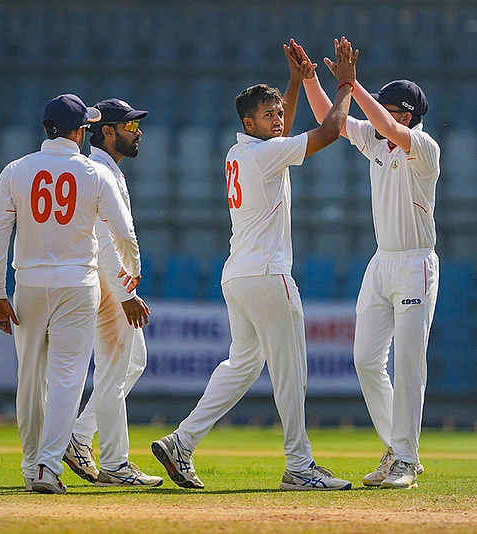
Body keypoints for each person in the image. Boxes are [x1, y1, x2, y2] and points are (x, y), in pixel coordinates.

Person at [151, 38, 357, 491]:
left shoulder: (240, 151)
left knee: (242, 367)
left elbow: (282, 131)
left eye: (278, 113)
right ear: (249, 123)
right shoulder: (265, 154)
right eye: (270, 115)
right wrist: (344, 85)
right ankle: (299, 467)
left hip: (239, 275)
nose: (279, 118)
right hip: (268, 274)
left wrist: (293, 83)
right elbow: (330, 131)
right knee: (291, 372)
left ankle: (181, 442)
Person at [293, 37, 439, 489]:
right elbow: (328, 122)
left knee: (409, 363)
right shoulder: (375, 142)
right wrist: (315, 80)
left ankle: (407, 461)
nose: (383, 116)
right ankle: (397, 450)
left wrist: (353, 86)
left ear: (407, 116)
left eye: (392, 109)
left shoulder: (422, 148)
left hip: (416, 263)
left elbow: (389, 128)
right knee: (366, 360)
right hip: (381, 265)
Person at [0, 94, 141, 494]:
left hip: (29, 283)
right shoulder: (94, 173)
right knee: (67, 378)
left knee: (30, 377)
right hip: (77, 282)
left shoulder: (15, 170)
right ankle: (47, 466)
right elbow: (122, 232)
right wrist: (133, 269)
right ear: (79, 131)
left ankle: (29, 463)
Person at [62, 98, 161, 487]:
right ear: (107, 131)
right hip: (107, 282)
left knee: (132, 362)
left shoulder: (107, 169)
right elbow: (104, 238)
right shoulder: (98, 170)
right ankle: (117, 464)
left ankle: (79, 435)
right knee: (112, 372)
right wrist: (123, 292)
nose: (137, 134)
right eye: (130, 127)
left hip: (109, 279)